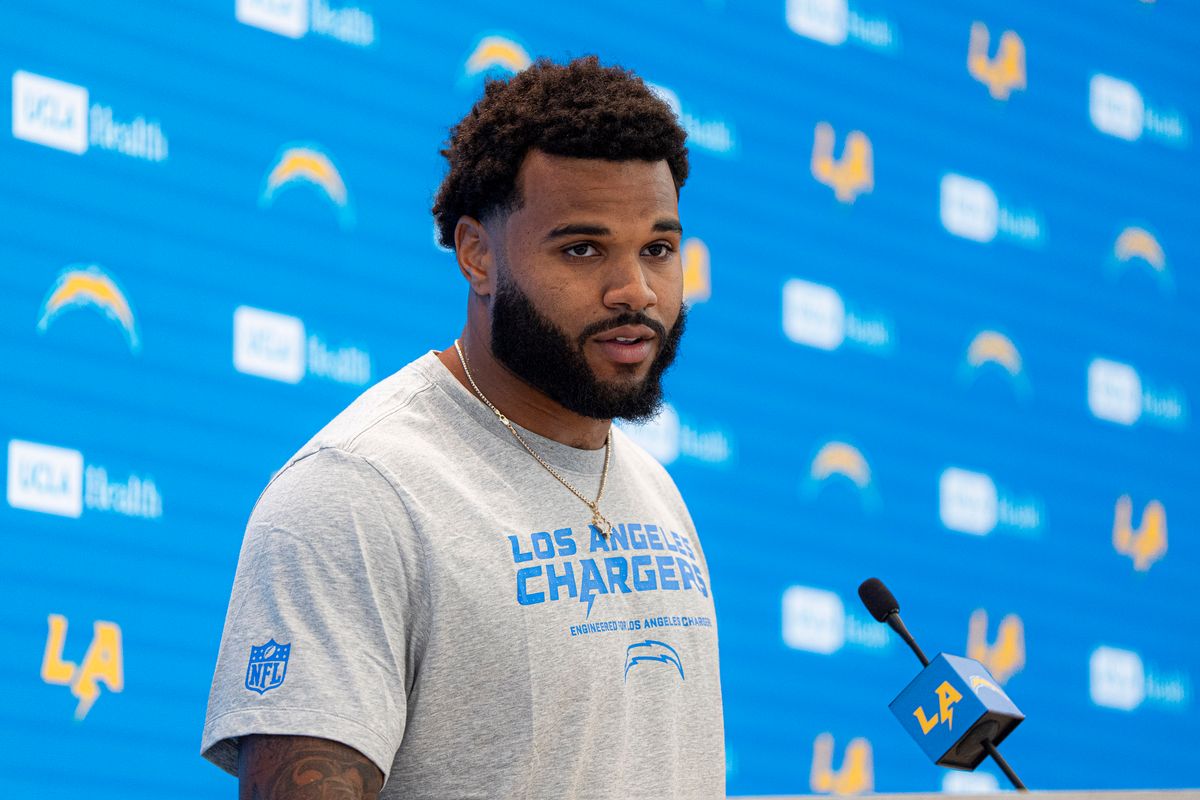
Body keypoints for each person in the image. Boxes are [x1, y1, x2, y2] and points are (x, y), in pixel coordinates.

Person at [201, 55, 724, 799]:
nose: (633, 290)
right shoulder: (356, 493)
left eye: (658, 249)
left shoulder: (654, 488)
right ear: (478, 255)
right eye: (583, 249)